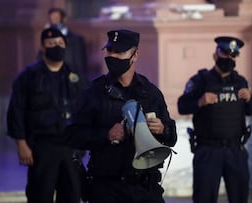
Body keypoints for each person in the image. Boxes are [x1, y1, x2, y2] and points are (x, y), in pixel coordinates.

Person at [67, 29, 177, 203]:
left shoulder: (150, 92)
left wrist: (163, 129)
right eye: (110, 51)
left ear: (135, 55)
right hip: (107, 188)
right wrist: (106, 135)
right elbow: (73, 136)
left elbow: (171, 138)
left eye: (119, 52)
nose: (113, 56)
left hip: (145, 188)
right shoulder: (94, 92)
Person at [7, 27, 87, 203]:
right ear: (42, 47)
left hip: (70, 148)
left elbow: (84, 111)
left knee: (72, 195)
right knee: (40, 196)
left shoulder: (75, 76)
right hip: (42, 148)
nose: (56, 47)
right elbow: (17, 110)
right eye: (51, 44)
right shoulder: (29, 77)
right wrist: (21, 144)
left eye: (60, 43)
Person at [177, 36, 252, 203]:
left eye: (232, 56)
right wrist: (200, 102)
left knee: (240, 197)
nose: (228, 59)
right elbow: (182, 106)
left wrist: (249, 98)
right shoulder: (200, 81)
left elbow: (251, 110)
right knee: (204, 198)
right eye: (225, 54)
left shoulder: (241, 82)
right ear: (215, 55)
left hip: (236, 150)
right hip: (208, 150)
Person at [44, 7, 88, 77]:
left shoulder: (76, 39)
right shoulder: (47, 40)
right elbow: (41, 60)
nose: (54, 22)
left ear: (64, 19)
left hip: (70, 79)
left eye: (56, 19)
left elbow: (80, 65)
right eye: (52, 20)